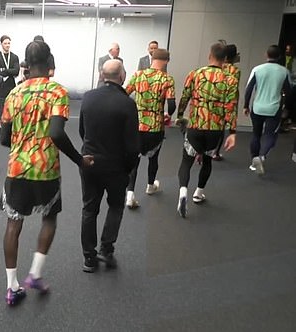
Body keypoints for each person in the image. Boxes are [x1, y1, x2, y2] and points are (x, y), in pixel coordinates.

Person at [0, 41, 92, 305]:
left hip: (17, 167)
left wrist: (21, 141)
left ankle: (12, 287)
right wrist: (79, 160)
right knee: (49, 218)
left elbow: (4, 138)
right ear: (50, 63)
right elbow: (56, 133)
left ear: (26, 65)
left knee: (13, 225)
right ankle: (36, 274)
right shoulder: (57, 92)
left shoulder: (14, 94)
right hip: (46, 169)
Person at [79, 59, 139, 272]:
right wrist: (129, 167)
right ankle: (107, 248)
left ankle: (89, 258)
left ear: (103, 76)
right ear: (122, 77)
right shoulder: (128, 104)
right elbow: (132, 145)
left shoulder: (88, 97)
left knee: (89, 209)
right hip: (116, 166)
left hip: (89, 162)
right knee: (115, 206)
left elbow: (82, 132)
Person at [175, 43, 238, 218]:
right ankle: (199, 192)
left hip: (195, 125)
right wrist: (232, 132)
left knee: (186, 161)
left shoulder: (195, 74)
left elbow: (185, 97)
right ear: (225, 59)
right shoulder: (230, 80)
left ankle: (182, 192)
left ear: (209, 55)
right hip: (215, 129)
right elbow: (231, 107)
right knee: (208, 161)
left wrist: (180, 115)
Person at [124, 49, 176, 209]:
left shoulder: (138, 75)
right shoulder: (167, 79)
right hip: (155, 126)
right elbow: (172, 104)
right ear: (166, 61)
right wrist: (167, 115)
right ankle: (150, 185)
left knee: (135, 159)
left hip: (137, 125)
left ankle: (130, 194)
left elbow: (124, 93)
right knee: (154, 158)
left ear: (152, 59)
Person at [243, 44, 291, 175]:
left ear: (266, 55)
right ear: (280, 56)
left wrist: (246, 106)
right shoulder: (284, 71)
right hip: (274, 109)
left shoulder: (257, 69)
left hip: (257, 107)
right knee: (271, 135)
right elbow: (289, 91)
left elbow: (249, 89)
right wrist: (286, 107)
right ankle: (262, 156)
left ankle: (254, 161)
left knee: (256, 134)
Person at [213, 44, 241, 161]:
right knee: (221, 127)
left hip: (214, 98)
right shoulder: (235, 70)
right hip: (227, 101)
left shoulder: (218, 66)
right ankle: (215, 153)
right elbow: (234, 88)